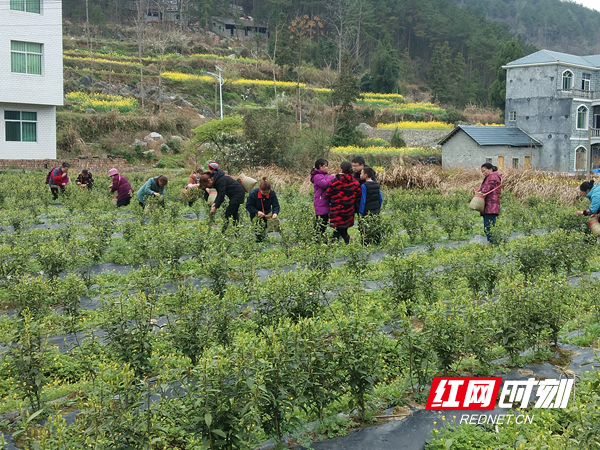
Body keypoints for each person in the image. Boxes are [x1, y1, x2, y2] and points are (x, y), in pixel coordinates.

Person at [326, 161, 361, 244]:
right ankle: (346, 244)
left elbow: (327, 194)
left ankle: (335, 245)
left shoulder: (334, 181)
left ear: (340, 169)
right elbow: (358, 196)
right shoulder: (355, 182)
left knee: (337, 229)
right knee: (343, 229)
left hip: (336, 210)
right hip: (348, 210)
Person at [246, 177, 281, 242]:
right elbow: (248, 206)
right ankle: (259, 243)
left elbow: (276, 205)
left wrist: (275, 213)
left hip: (267, 214)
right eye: (264, 192)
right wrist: (257, 212)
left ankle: (264, 242)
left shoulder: (272, 193)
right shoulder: (253, 194)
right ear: (260, 189)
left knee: (266, 228)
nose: (266, 194)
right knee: (258, 231)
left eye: (267, 192)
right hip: (255, 215)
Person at [310, 158, 335, 238]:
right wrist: (331, 177)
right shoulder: (317, 176)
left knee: (324, 221)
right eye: (325, 166)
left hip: (325, 201)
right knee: (320, 221)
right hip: (320, 202)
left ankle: (319, 238)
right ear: (320, 166)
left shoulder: (323, 175)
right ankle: (316, 238)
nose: (326, 168)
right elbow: (324, 184)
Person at [358, 167, 383, 244]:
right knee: (375, 226)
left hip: (367, 210)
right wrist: (378, 207)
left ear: (366, 175)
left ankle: (366, 243)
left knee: (365, 227)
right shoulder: (376, 184)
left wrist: (361, 213)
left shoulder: (364, 186)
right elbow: (380, 198)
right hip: (375, 209)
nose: (360, 175)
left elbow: (363, 200)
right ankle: (377, 242)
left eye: (361, 173)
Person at [479, 162, 502, 244]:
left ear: (490, 169)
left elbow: (485, 189)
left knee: (488, 228)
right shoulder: (496, 176)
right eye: (482, 171)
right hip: (493, 206)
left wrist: (479, 193)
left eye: (484, 170)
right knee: (490, 226)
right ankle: (493, 244)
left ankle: (493, 245)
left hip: (490, 206)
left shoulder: (492, 176)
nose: (483, 173)